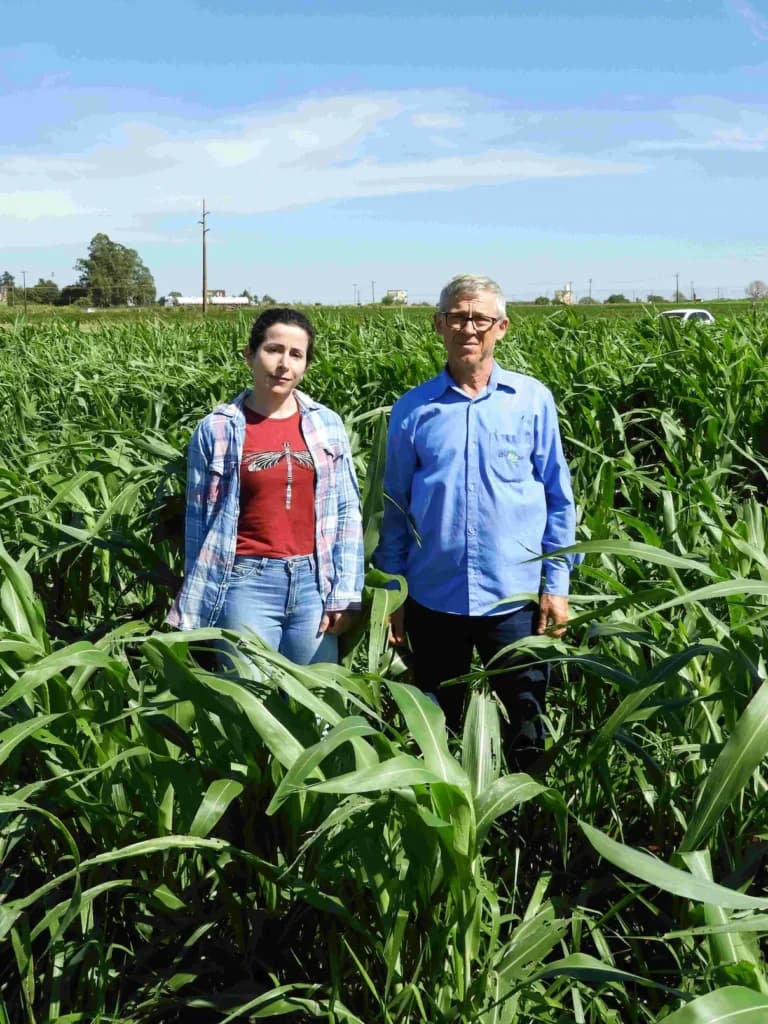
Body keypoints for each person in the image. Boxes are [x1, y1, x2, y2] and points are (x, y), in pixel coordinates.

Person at [373, 274, 579, 767]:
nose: (469, 328)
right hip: (433, 599)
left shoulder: (531, 400)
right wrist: (393, 594)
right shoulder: (413, 410)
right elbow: (394, 508)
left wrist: (556, 585)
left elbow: (558, 498)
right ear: (438, 325)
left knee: (526, 724)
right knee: (435, 729)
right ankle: (444, 811)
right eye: (457, 317)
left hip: (514, 599)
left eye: (480, 319)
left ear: (501, 327)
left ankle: (526, 811)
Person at [167, 307, 364, 668]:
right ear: (250, 355)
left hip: (314, 583)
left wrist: (345, 595)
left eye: (296, 354)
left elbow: (347, 512)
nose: (284, 364)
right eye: (273, 350)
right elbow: (198, 523)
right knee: (249, 696)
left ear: (306, 365)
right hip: (244, 584)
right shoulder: (217, 429)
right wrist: (199, 604)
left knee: (319, 698)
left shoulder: (327, 425)